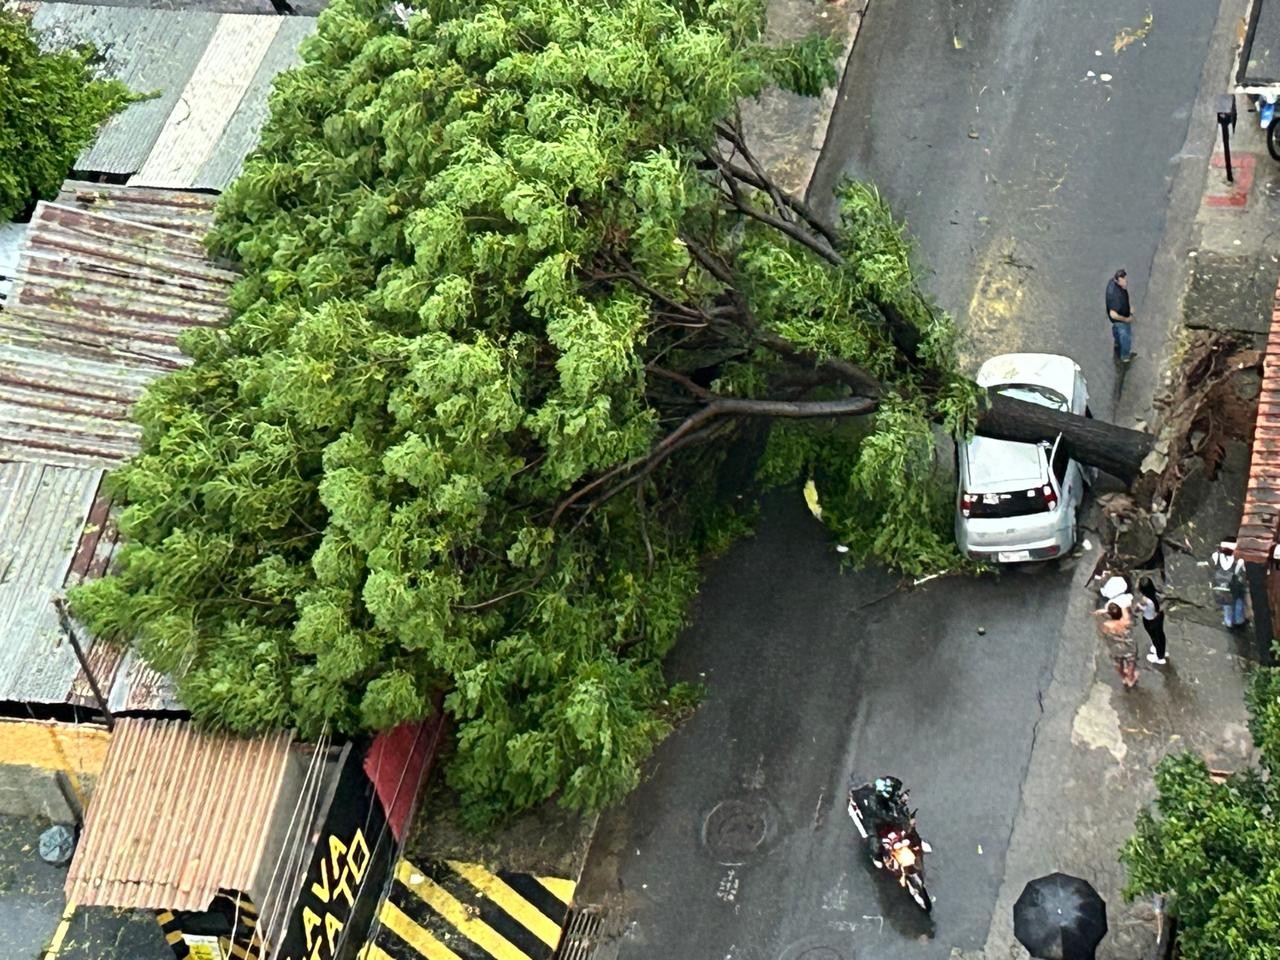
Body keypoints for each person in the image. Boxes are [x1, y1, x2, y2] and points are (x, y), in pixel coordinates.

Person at [1095, 601, 1138, 689]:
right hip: (1129, 645)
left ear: (1109, 615)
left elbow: (1102, 634)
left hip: (1116, 648)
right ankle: (1130, 678)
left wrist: (1103, 612)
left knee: (1118, 663)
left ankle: (1123, 677)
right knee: (1131, 661)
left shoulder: (1107, 625)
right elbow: (1125, 607)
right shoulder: (1126, 620)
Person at [1210, 540, 1248, 628]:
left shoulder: (1216, 555)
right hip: (1233, 585)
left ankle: (1228, 622)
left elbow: (1211, 567)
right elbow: (1242, 571)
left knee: (1226, 603)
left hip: (1220, 584)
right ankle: (1238, 620)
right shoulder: (1239, 559)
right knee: (1238, 600)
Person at [1106, 268, 1136, 363]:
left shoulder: (1112, 283)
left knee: (1117, 332)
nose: (1126, 282)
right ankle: (1125, 357)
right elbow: (1113, 314)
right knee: (1125, 337)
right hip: (1121, 320)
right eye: (1124, 281)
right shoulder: (1116, 297)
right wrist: (1126, 319)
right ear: (1118, 280)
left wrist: (1129, 307)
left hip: (1116, 322)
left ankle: (1117, 344)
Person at [1137, 576, 1167, 665]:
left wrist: (1139, 606)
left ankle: (1159, 657)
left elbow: (1146, 609)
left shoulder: (1145, 599)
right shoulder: (1156, 594)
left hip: (1150, 620)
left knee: (1155, 637)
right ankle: (1161, 651)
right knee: (1160, 634)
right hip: (1159, 617)